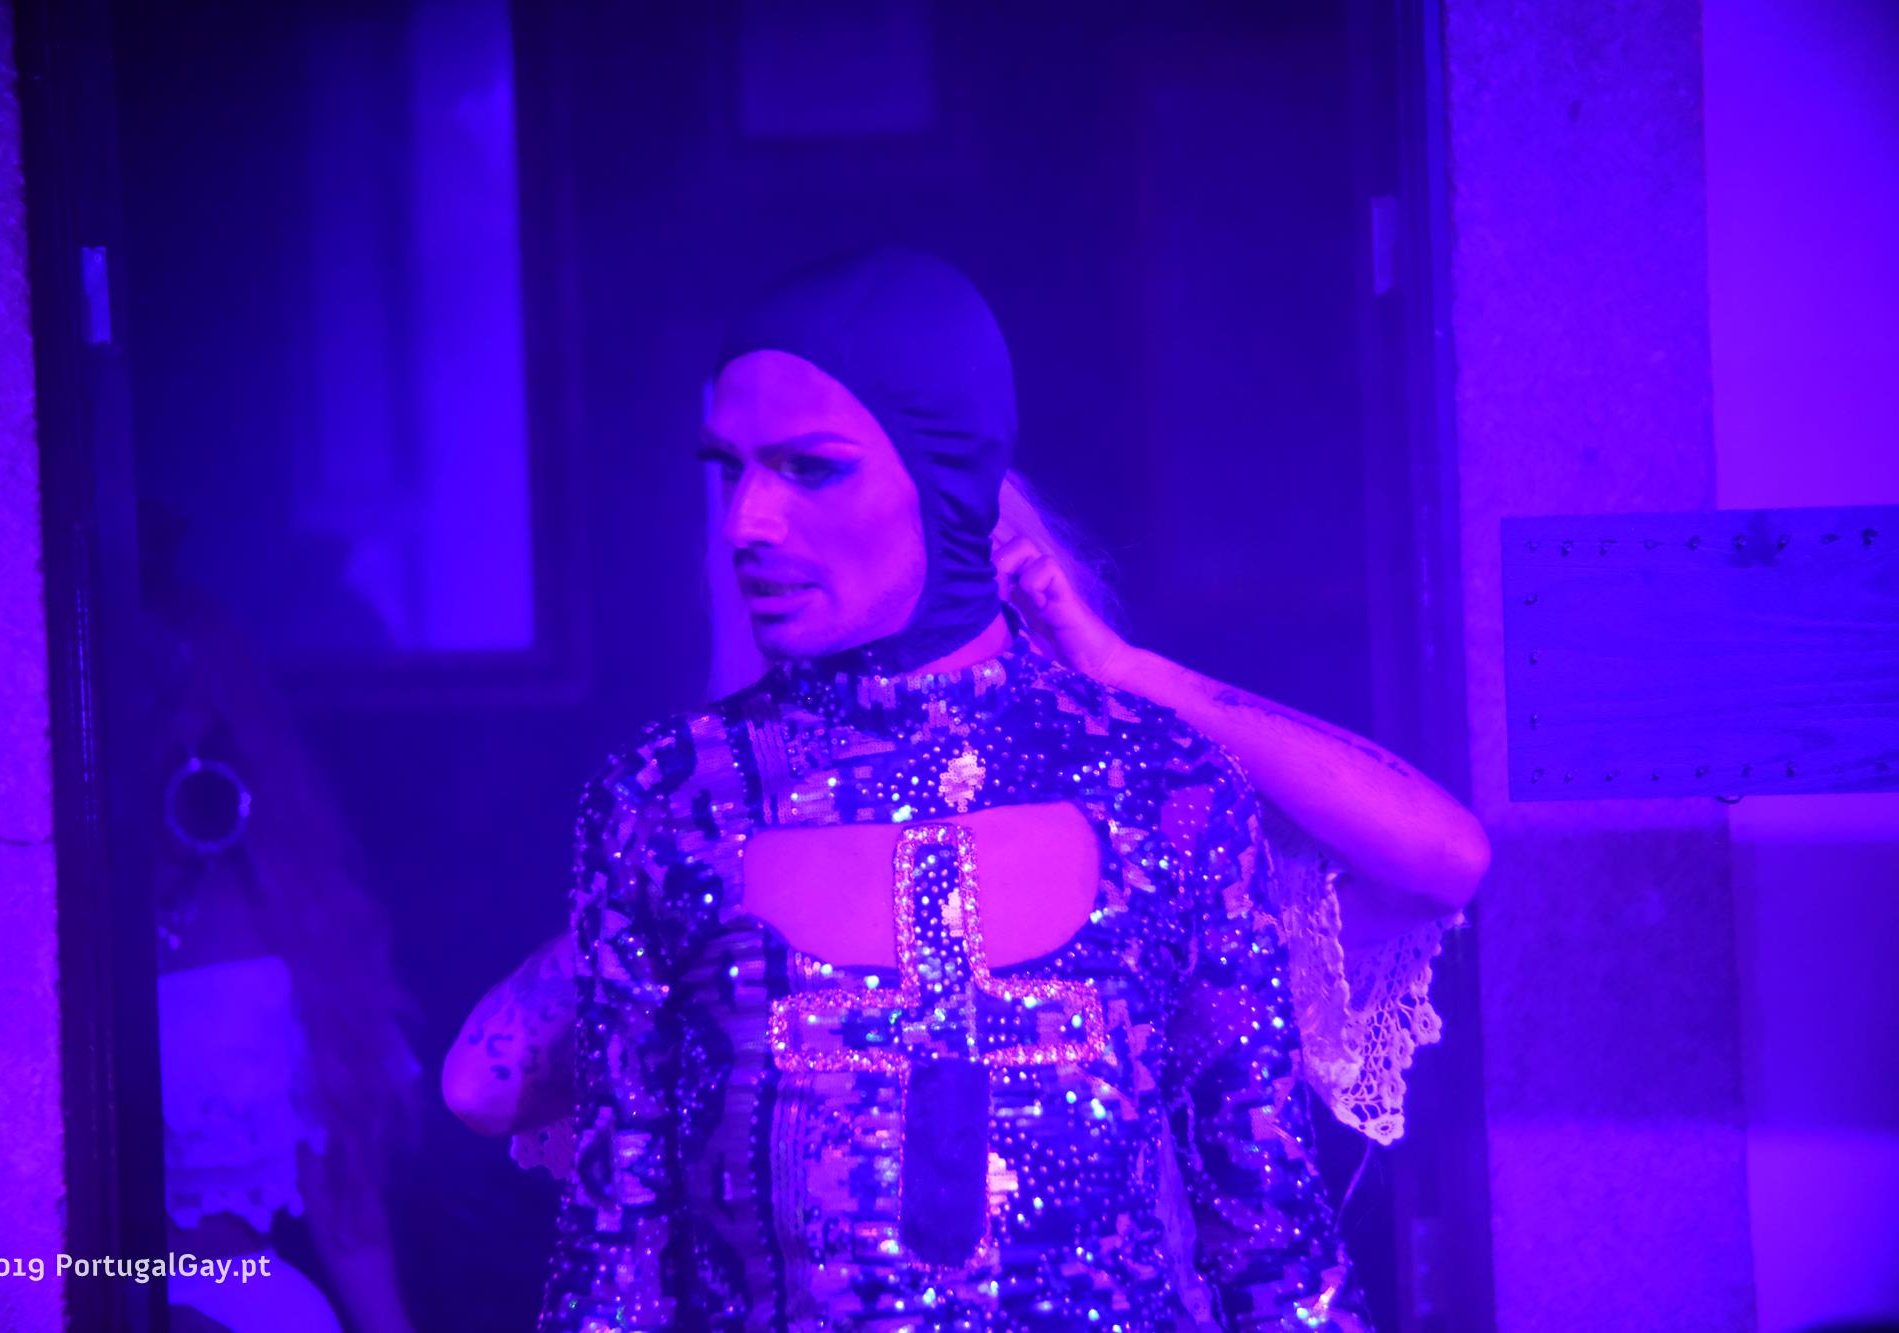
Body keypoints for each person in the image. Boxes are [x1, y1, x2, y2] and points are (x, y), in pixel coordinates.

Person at [444, 249, 1486, 1330]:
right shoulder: (675, 797)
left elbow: (1277, 1254)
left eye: (811, 468)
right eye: (728, 470)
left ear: (954, 493)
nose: (744, 522)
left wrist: (1127, 674)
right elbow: (593, 1235)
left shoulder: (1153, 791)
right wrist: (706, 839)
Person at [143, 506, 422, 1333]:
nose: (140, 716)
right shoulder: (39, 909)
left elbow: (348, 1203)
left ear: (201, 709)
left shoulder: (288, 914)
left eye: (159, 691)